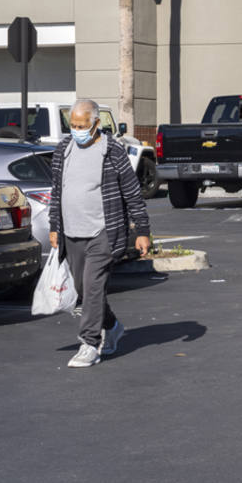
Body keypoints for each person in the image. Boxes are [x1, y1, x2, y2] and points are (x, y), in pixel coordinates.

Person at [48, 98, 152, 367]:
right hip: (72, 232)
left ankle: (89, 343)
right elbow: (57, 191)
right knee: (83, 289)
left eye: (82, 125)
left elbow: (132, 192)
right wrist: (54, 226)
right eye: (73, 125)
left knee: (93, 286)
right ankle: (113, 326)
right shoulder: (63, 149)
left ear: (95, 123)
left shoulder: (112, 150)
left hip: (104, 232)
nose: (77, 130)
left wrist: (142, 230)